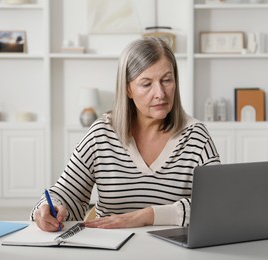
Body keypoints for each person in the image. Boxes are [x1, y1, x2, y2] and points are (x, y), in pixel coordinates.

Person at [31, 37, 220, 232]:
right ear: (128, 88)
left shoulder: (195, 136)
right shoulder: (101, 134)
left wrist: (147, 216)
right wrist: (48, 208)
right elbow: (67, 192)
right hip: (111, 249)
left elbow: (219, 204)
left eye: (166, 80)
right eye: (146, 84)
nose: (161, 93)